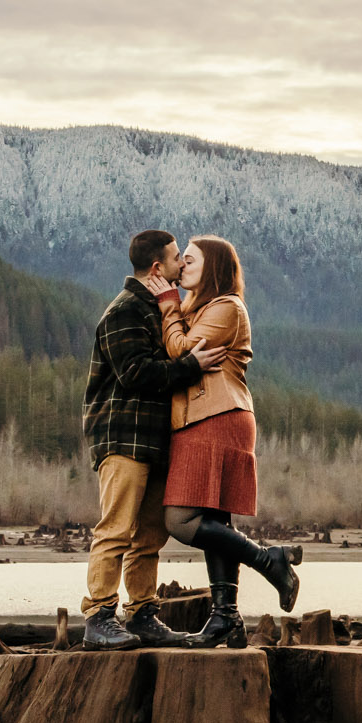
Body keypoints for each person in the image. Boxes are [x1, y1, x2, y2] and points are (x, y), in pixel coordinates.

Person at [145, 234, 300, 646]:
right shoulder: (204, 309)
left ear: (213, 267)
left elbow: (180, 351)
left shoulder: (226, 307)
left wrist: (167, 307)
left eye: (191, 261)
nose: (182, 267)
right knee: (215, 520)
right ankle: (226, 618)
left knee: (180, 519)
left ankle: (270, 561)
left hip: (215, 416)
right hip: (209, 416)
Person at [81, 229, 224, 650]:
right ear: (158, 266)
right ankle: (99, 615)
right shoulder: (123, 311)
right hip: (123, 437)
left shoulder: (161, 309)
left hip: (157, 441)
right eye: (178, 257)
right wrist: (190, 365)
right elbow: (135, 373)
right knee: (116, 528)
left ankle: (142, 612)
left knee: (149, 534)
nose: (184, 263)